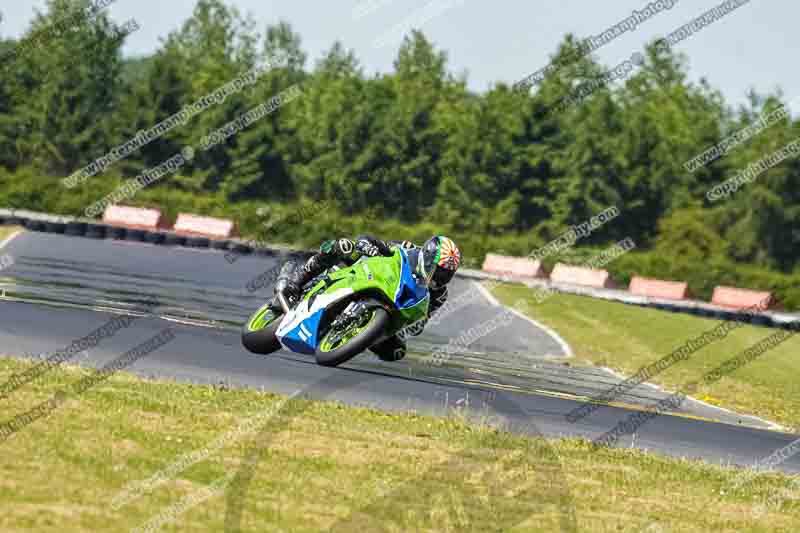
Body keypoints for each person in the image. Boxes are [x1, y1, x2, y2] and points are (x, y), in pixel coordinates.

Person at [272, 235, 461, 361]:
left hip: (393, 310)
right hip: (368, 275)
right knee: (344, 245)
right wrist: (370, 248)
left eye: (446, 274)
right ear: (427, 258)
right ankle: (298, 279)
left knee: (396, 352)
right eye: (439, 270)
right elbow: (370, 240)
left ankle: (356, 333)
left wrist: (409, 327)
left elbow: (421, 322)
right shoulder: (408, 249)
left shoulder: (439, 294)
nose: (440, 277)